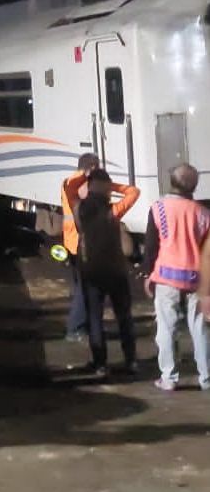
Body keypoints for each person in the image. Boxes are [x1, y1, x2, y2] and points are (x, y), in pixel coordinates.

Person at [142, 163, 210, 392]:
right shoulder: (203, 213)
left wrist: (147, 273)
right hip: (196, 278)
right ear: (194, 186)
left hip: (166, 277)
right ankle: (206, 378)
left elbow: (151, 245)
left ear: (171, 182)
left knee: (167, 329)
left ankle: (169, 378)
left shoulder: (158, 208)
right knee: (199, 329)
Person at [67, 167, 140, 378]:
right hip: (116, 269)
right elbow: (134, 191)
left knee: (95, 318)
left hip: (92, 270)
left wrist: (84, 176)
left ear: (88, 188)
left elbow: (69, 187)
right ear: (106, 189)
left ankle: (100, 364)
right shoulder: (114, 211)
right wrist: (112, 186)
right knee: (124, 317)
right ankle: (131, 360)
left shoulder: (79, 208)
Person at [61, 153, 99, 339]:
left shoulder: (68, 181)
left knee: (80, 286)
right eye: (97, 167)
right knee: (85, 288)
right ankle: (75, 328)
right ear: (90, 167)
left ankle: (82, 326)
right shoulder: (81, 184)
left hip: (71, 242)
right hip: (82, 243)